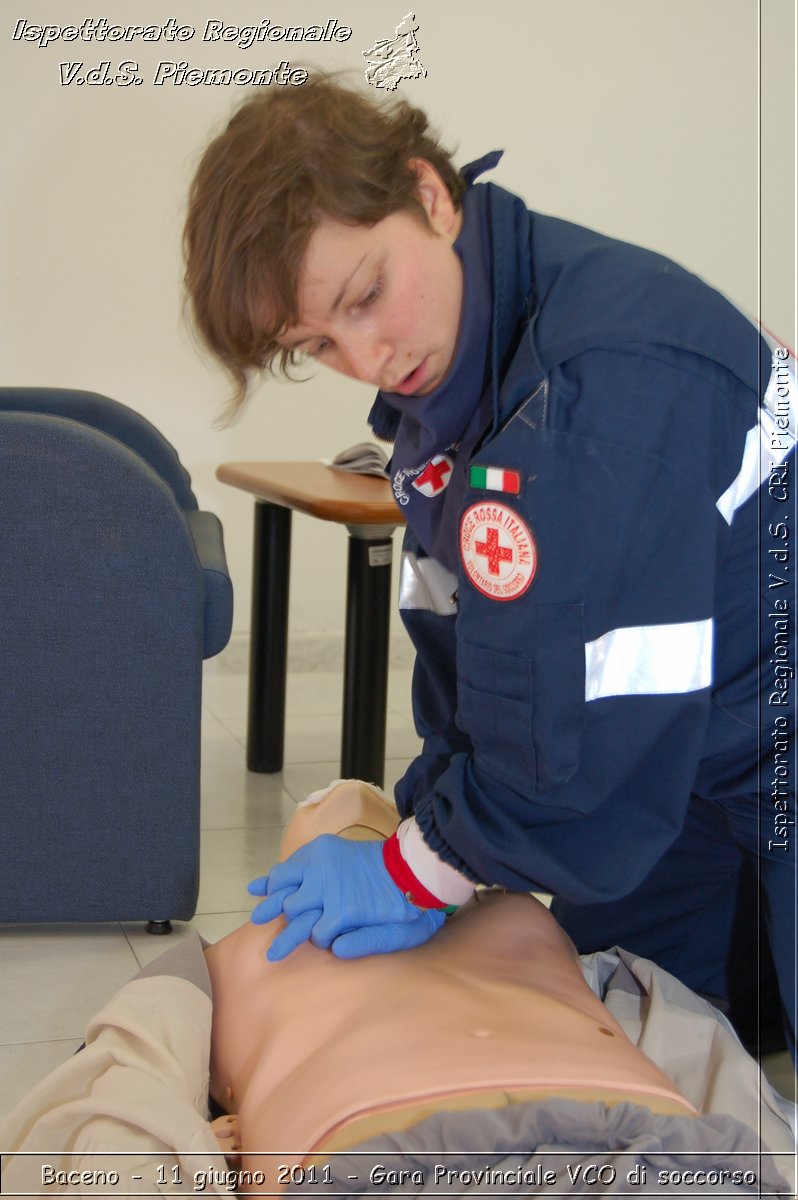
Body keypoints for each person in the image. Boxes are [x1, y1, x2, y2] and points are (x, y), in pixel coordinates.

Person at [183, 73, 796, 1060]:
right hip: (696, 744)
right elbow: (489, 664)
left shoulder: (599, 387)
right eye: (319, 344)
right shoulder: (457, 395)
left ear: (429, 195)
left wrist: (421, 865)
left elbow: (577, 740)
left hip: (756, 721)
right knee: (618, 1029)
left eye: (367, 296)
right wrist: (430, 824)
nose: (368, 357)